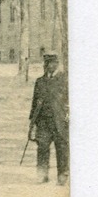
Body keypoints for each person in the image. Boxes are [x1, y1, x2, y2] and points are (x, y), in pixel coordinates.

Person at [29, 52, 69, 185]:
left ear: (57, 64)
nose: (48, 66)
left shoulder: (65, 80)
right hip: (43, 122)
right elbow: (34, 103)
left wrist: (68, 119)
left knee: (62, 149)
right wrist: (33, 123)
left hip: (60, 121)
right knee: (42, 148)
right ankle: (42, 175)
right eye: (46, 63)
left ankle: (62, 176)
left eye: (52, 63)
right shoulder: (40, 81)